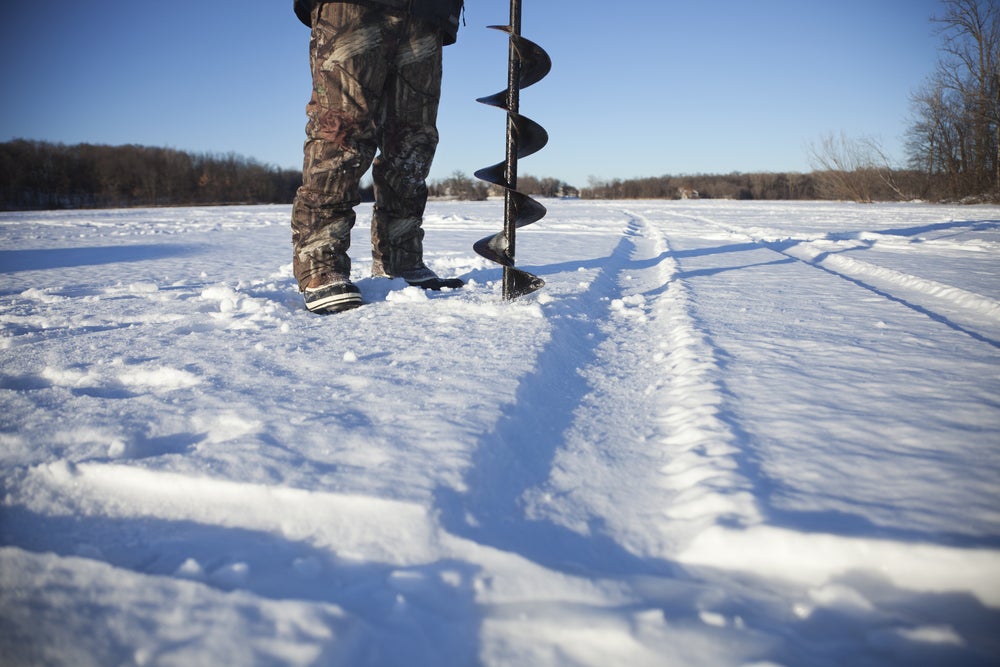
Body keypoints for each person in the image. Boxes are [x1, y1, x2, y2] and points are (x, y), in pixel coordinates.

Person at [291, 0, 466, 314]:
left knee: (414, 139)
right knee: (342, 127)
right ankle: (321, 261)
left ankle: (401, 258)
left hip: (428, 11)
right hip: (352, 7)